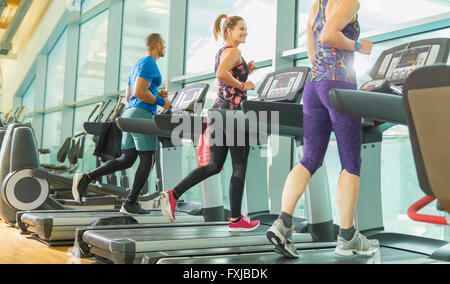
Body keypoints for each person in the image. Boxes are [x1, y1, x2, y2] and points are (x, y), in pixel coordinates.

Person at [267, 0, 380, 258]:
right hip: (340, 84)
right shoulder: (350, 2)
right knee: (351, 162)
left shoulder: (318, 4)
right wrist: (359, 46)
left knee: (310, 158)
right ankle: (348, 237)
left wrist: (323, 73)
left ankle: (283, 223)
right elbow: (330, 35)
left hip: (314, 84)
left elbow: (313, 47)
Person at [159, 14, 261, 232]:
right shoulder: (234, 51)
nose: (245, 32)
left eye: (245, 28)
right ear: (229, 31)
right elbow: (221, 74)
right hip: (234, 115)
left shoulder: (222, 51)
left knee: (213, 166)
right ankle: (235, 220)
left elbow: (226, 75)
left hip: (218, 112)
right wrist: (245, 86)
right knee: (239, 166)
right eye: (241, 29)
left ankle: (173, 194)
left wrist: (246, 71)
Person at [72, 33, 171, 215]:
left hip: (129, 114)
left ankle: (86, 178)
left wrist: (157, 93)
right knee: (148, 159)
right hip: (141, 115)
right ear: (157, 45)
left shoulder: (136, 66)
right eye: (163, 43)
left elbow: (129, 96)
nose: (165, 46)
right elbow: (140, 93)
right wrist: (162, 102)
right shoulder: (150, 63)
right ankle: (130, 202)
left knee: (127, 159)